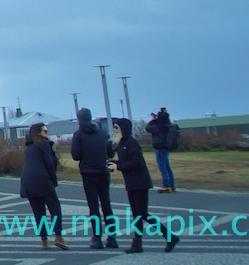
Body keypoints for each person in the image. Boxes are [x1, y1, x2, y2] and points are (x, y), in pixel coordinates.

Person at [114, 117, 176, 254]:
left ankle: (170, 237)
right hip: (131, 183)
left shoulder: (131, 143)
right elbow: (125, 161)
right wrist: (115, 164)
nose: (114, 129)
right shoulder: (122, 143)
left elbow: (137, 162)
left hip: (140, 183)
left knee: (143, 214)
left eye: (116, 127)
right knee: (136, 215)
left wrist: (119, 166)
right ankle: (137, 243)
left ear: (123, 129)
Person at [70, 108, 117, 249]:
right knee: (106, 205)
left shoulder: (78, 135)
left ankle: (97, 238)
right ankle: (112, 237)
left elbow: (76, 155)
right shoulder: (102, 134)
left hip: (88, 173)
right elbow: (111, 152)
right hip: (103, 172)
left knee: (94, 207)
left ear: (79, 119)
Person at [19, 122, 68, 251]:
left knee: (38, 212)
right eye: (45, 132)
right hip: (42, 179)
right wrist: (54, 182)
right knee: (55, 208)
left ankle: (44, 240)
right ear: (38, 133)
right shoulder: (44, 144)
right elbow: (50, 164)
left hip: (27, 180)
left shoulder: (29, 146)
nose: (48, 134)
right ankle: (58, 236)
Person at [144, 108, 179, 193]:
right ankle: (172, 185)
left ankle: (166, 185)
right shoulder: (168, 126)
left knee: (162, 167)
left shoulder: (157, 126)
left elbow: (148, 128)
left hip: (160, 148)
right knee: (167, 167)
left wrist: (153, 120)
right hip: (166, 148)